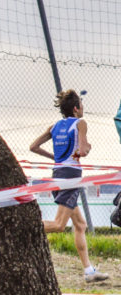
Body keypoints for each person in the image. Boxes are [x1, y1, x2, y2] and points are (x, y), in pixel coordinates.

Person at [30, 89, 109, 283]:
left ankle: (89, 271)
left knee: (80, 225)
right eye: (81, 105)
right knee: (58, 225)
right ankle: (22, 228)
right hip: (71, 177)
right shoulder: (80, 123)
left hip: (58, 174)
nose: (83, 109)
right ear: (76, 108)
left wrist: (55, 158)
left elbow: (33, 147)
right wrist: (88, 147)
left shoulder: (54, 126)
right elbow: (82, 151)